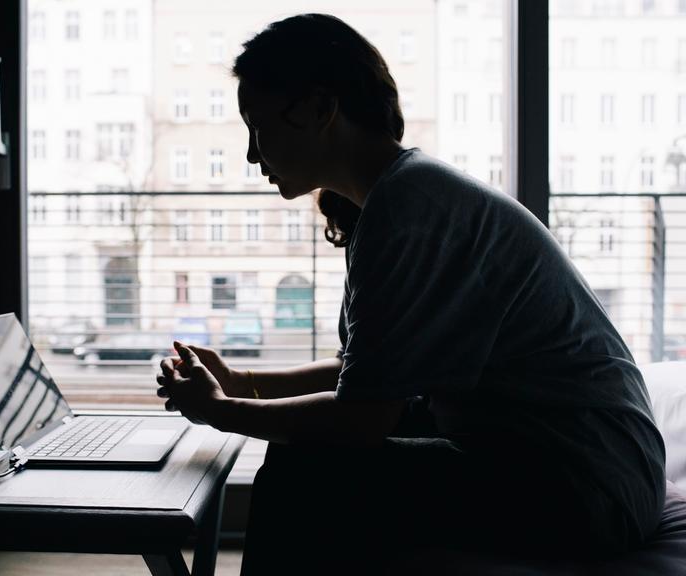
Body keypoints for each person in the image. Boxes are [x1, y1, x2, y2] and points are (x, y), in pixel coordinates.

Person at [156, 13, 666, 576]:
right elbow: (369, 376)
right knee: (308, 450)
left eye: (259, 126)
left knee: (301, 471)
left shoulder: (407, 209)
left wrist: (226, 411)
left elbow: (362, 418)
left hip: (587, 485)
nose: (253, 155)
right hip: (576, 462)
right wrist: (240, 384)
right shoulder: (397, 196)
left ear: (323, 109)